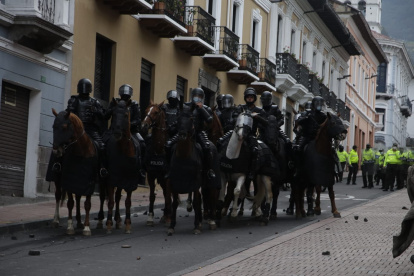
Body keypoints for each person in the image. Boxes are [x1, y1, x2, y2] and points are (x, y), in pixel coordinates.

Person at [165, 87, 216, 179]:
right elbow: (179, 118)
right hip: (185, 132)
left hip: (199, 132)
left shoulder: (206, 108)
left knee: (207, 147)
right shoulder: (185, 106)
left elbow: (209, 120)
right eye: (195, 96)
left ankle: (209, 170)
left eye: (199, 96)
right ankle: (169, 169)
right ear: (192, 96)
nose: (197, 98)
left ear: (202, 97)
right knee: (169, 145)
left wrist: (201, 108)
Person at [66, 78, 107, 177]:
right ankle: (58, 165)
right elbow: (69, 114)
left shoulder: (95, 102)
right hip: (76, 129)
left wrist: (96, 111)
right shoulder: (74, 100)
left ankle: (102, 168)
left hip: (90, 128)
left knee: (102, 146)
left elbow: (103, 116)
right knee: (62, 144)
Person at [104, 84, 146, 177]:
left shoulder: (134, 104)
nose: (125, 96)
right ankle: (103, 167)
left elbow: (138, 119)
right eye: (123, 95)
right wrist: (112, 109)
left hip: (131, 131)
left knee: (142, 144)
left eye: (127, 95)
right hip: (114, 130)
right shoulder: (115, 102)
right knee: (103, 143)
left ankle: (141, 168)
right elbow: (106, 116)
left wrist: (128, 125)